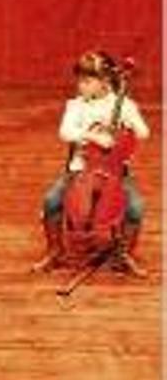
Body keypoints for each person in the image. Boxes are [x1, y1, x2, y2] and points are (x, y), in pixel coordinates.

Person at [32, 50, 149, 276]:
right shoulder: (75, 106)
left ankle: (122, 255)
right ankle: (55, 251)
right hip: (80, 169)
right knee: (51, 201)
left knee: (135, 207)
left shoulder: (124, 105)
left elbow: (143, 133)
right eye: (79, 80)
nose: (80, 85)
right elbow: (65, 132)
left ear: (104, 82)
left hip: (116, 172)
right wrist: (93, 136)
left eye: (87, 81)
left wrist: (130, 123)